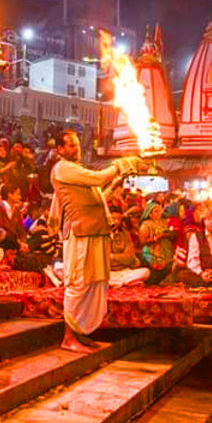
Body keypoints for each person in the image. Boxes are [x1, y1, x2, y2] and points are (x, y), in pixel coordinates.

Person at [49, 131, 140, 353]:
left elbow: (98, 196)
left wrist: (118, 179)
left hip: (96, 233)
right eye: (70, 145)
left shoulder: (77, 171)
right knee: (79, 283)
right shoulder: (62, 168)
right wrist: (119, 165)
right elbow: (97, 179)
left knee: (94, 284)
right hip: (80, 234)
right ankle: (68, 338)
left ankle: (82, 334)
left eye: (77, 145)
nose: (75, 149)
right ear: (59, 150)